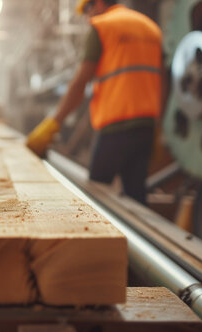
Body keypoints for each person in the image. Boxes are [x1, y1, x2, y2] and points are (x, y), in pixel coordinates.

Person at [26, 0, 162, 204]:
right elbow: (164, 77)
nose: (87, 18)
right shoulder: (151, 28)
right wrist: (159, 122)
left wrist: (54, 123)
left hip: (115, 127)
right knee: (136, 196)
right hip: (146, 126)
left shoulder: (102, 27)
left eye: (87, 11)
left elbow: (80, 83)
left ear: (97, 3)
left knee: (96, 197)